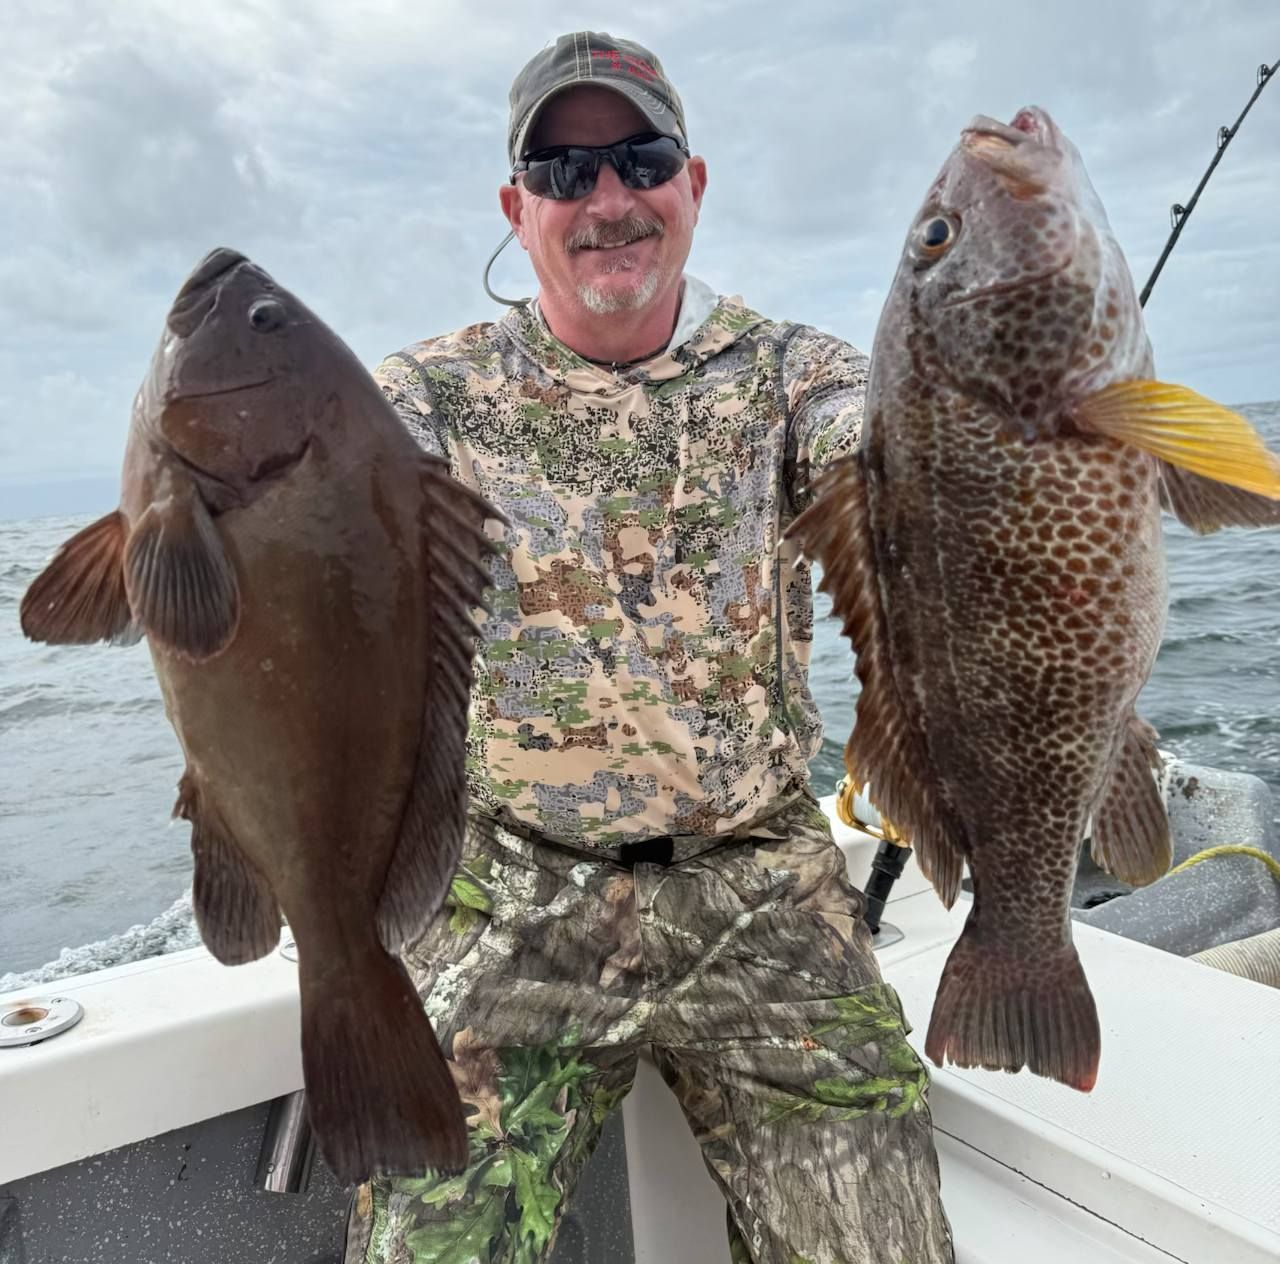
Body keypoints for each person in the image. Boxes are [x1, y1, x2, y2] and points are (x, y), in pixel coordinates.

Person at [344, 30, 954, 1264]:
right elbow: (308, 545)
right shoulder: (423, 398)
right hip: (513, 886)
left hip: (759, 887)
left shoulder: (792, 375)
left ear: (693, 183)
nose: (607, 198)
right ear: (516, 209)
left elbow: (885, 464)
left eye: (640, 158)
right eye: (564, 173)